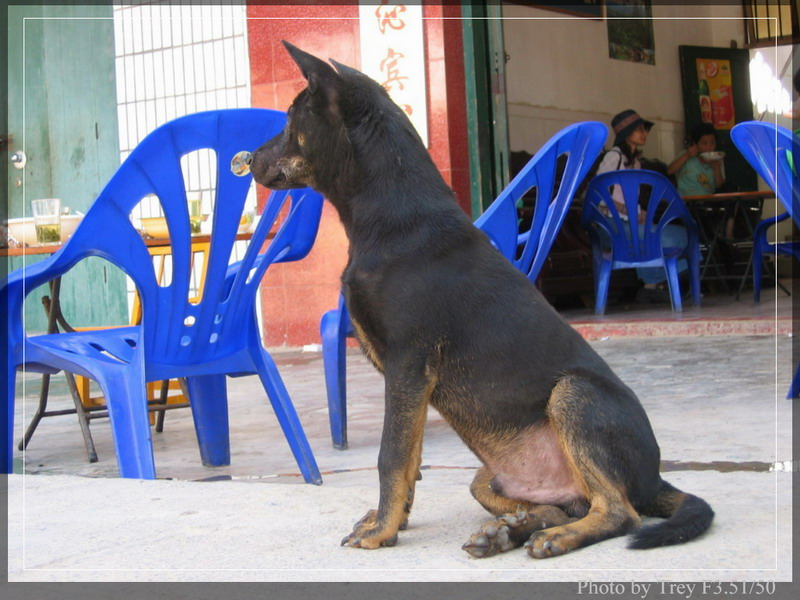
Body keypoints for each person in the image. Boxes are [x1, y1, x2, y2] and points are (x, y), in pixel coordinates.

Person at [595, 109, 689, 304]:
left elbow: (629, 198)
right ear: (625, 133)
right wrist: (626, 211)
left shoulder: (635, 163)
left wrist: (640, 212)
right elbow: (599, 194)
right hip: (611, 224)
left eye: (645, 129)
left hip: (628, 222)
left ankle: (651, 287)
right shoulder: (614, 157)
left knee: (680, 234)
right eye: (638, 129)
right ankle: (655, 283)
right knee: (668, 236)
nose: (644, 133)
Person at [668, 122, 725, 196]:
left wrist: (717, 169)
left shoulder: (717, 159)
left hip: (708, 200)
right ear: (695, 144)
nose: (709, 147)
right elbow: (669, 171)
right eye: (704, 143)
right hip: (686, 200)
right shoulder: (685, 155)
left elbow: (721, 187)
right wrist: (687, 155)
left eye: (712, 143)